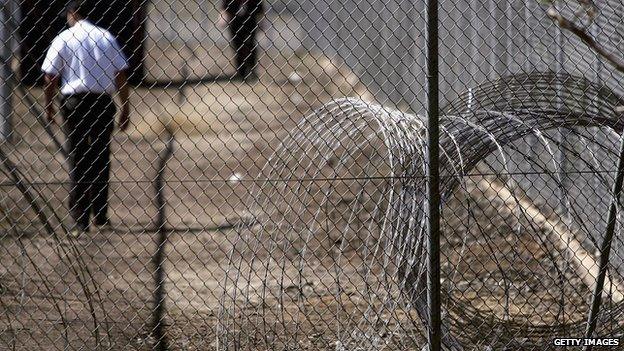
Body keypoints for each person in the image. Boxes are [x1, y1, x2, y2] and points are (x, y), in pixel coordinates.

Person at [41, 0, 130, 235]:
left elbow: (50, 76)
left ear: (73, 13)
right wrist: (125, 107)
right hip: (102, 102)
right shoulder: (106, 37)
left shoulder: (64, 38)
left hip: (74, 103)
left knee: (78, 157)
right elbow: (120, 73)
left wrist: (49, 106)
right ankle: (100, 214)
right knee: (101, 156)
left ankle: (79, 220)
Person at [220, 0, 264, 81]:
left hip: (250, 21)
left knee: (250, 45)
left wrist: (261, 21)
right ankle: (241, 72)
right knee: (237, 47)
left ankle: (252, 69)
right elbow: (224, 6)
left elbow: (260, 8)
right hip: (235, 22)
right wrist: (223, 16)